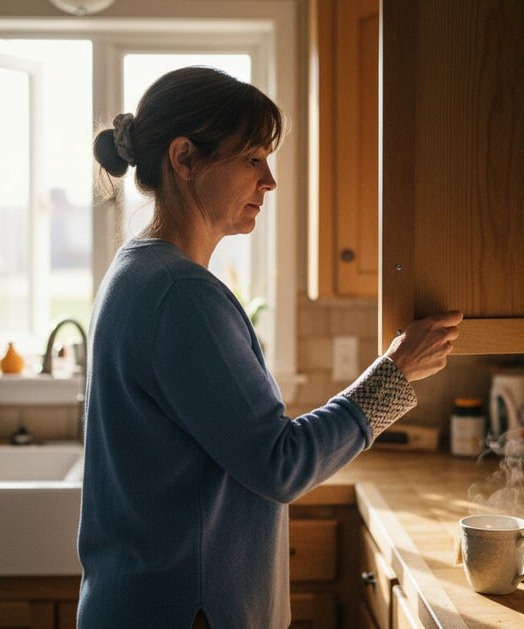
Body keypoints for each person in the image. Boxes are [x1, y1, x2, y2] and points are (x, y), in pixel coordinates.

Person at [78, 66, 462, 629]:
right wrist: (396, 375)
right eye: (253, 158)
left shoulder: (138, 270)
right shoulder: (178, 292)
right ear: (184, 160)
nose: (270, 181)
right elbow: (280, 464)